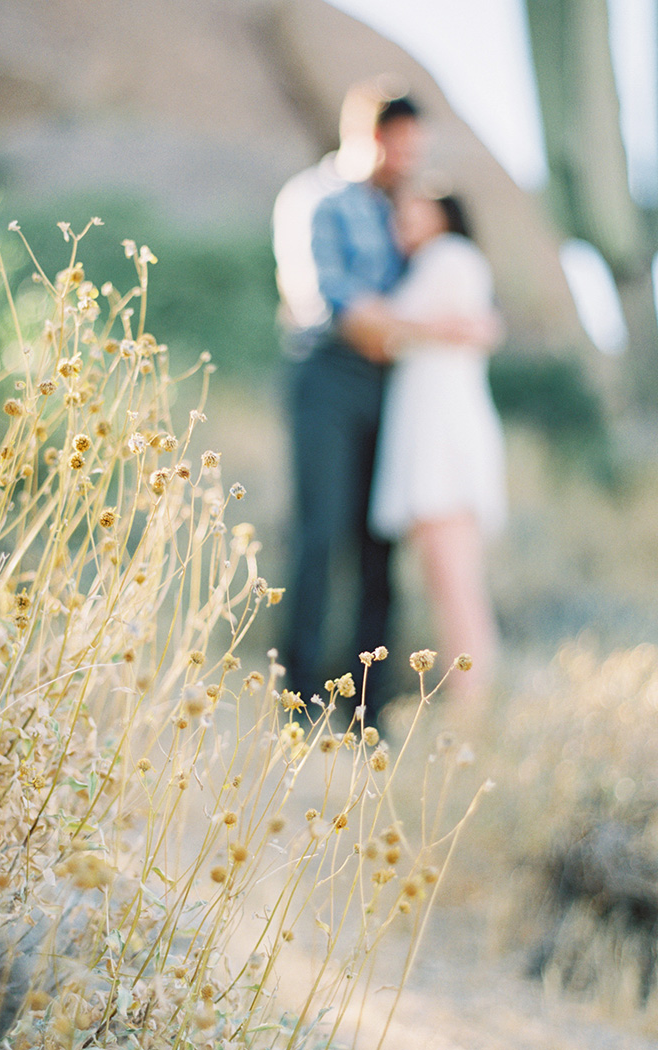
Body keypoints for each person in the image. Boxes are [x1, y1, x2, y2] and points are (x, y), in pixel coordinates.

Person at [275, 92, 426, 725]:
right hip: (328, 376)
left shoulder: (395, 210)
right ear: (367, 135)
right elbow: (331, 300)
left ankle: (368, 708)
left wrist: (400, 329)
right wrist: (416, 327)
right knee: (319, 534)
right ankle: (299, 702)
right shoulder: (316, 196)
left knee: (378, 540)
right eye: (400, 144)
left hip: (390, 383)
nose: (408, 159)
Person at [364, 193, 506, 701]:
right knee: (452, 584)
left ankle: (471, 711)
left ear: (443, 216)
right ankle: (471, 705)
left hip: (443, 441)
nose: (401, 221)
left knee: (455, 587)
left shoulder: (447, 257)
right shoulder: (440, 264)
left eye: (413, 211)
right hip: (437, 433)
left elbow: (384, 320)